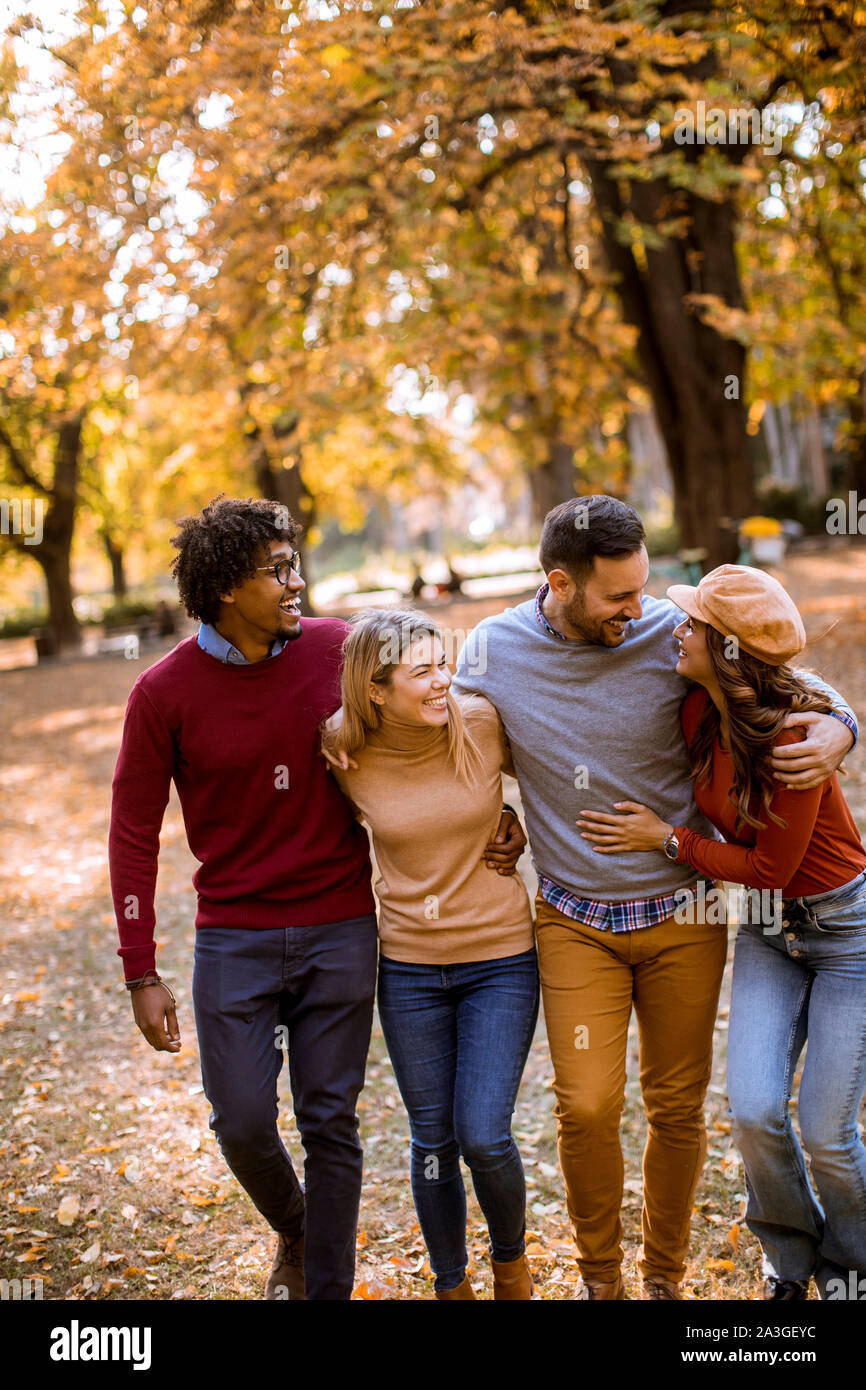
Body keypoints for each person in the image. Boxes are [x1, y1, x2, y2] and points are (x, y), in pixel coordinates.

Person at [107, 494, 529, 1301]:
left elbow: (435, 729)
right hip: (233, 933)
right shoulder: (163, 694)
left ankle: (325, 1286)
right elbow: (132, 832)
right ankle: (298, 1228)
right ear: (229, 587)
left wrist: (501, 814)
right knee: (238, 1118)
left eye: (294, 563)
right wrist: (140, 969)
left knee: (330, 1120)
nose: (298, 581)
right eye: (280, 570)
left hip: (342, 926)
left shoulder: (340, 653)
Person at [451, 495, 857, 1300]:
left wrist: (843, 722)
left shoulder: (670, 641)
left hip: (686, 915)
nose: (638, 612)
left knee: (678, 1110)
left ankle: (664, 1280)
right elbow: (459, 741)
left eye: (643, 591)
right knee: (588, 1108)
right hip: (576, 918)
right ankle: (603, 1281)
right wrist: (501, 814)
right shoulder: (494, 650)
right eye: (617, 597)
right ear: (559, 583)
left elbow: (781, 679)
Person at [577, 564, 866, 1301]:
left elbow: (769, 867)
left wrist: (666, 840)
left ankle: (854, 1262)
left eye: (693, 626)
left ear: (728, 651)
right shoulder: (698, 704)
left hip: (845, 935)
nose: (676, 632)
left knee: (828, 1134)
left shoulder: (797, 739)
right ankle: (792, 1261)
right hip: (770, 935)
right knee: (755, 1111)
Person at [323, 609, 539, 1300]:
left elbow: (559, 779)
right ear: (376, 691)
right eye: (422, 673)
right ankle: (452, 1284)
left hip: (500, 957)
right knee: (432, 1141)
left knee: (482, 1133)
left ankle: (511, 1261)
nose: (444, 680)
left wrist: (520, 826)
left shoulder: (478, 721)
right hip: (410, 969)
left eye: (442, 663)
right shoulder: (344, 749)